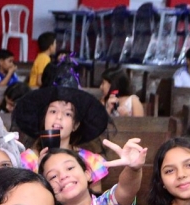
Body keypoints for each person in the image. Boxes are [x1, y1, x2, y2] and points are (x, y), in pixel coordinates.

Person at [13, 60, 115, 194]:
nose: (59, 117)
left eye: (67, 113)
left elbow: (96, 202)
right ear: (44, 119)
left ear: (75, 125)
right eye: (53, 111)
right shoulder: (27, 161)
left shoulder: (89, 161)